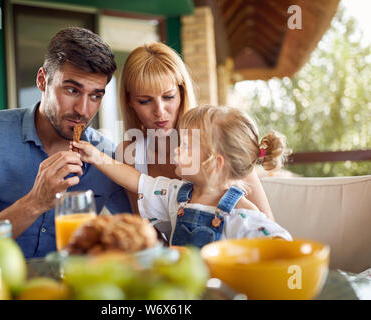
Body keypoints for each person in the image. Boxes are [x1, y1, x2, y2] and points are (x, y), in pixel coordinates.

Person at [0, 27, 132, 258]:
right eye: (72, 90)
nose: (83, 110)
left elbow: (141, 233)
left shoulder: (107, 156)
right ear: (42, 80)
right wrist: (34, 202)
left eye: (95, 96)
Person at [72, 105, 292, 248]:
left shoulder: (241, 213)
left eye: (186, 146)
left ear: (214, 164)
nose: (177, 150)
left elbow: (281, 242)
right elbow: (135, 179)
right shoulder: (177, 194)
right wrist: (95, 156)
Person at [117, 42, 275, 239]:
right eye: (145, 101)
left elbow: (268, 230)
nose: (159, 111)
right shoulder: (131, 153)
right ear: (129, 101)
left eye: (168, 96)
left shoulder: (219, 140)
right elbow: (147, 235)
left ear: (182, 93)